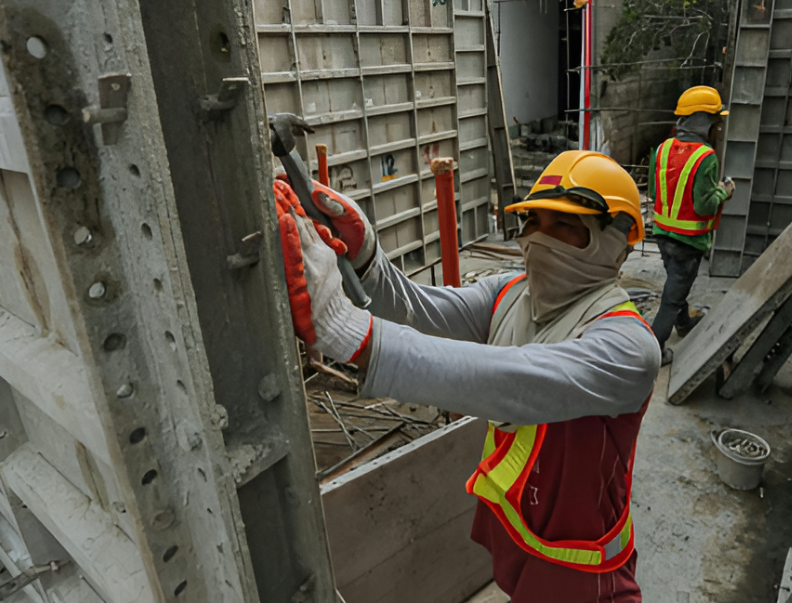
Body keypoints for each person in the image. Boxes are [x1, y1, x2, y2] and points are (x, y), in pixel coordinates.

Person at [273, 150, 661, 602]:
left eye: (564, 226)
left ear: (615, 242)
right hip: (519, 536)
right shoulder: (510, 292)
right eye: (532, 222)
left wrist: (354, 336)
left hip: (585, 569)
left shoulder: (629, 347)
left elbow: (515, 384)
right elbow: (423, 311)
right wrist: (366, 258)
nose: (538, 239)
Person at [649, 86, 735, 366]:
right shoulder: (705, 156)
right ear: (704, 121)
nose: (718, 128)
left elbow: (652, 190)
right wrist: (724, 191)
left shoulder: (662, 149)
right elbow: (705, 206)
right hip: (688, 241)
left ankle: (683, 323)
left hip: (662, 234)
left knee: (676, 284)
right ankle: (653, 351)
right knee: (671, 299)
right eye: (716, 121)